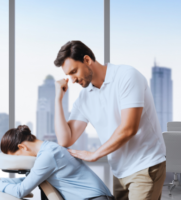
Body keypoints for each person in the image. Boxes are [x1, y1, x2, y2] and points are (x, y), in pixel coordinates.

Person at [53, 41, 166, 200]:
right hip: (119, 171)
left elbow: (129, 128)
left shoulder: (126, 76)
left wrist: (95, 154)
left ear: (87, 60)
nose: (72, 80)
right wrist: (58, 99)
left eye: (74, 71)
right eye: (68, 75)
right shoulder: (84, 98)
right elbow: (65, 139)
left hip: (145, 164)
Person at [0, 125, 114, 200]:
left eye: (16, 157)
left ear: (22, 147)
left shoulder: (48, 156)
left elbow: (21, 191)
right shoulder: (48, 149)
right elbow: (32, 179)